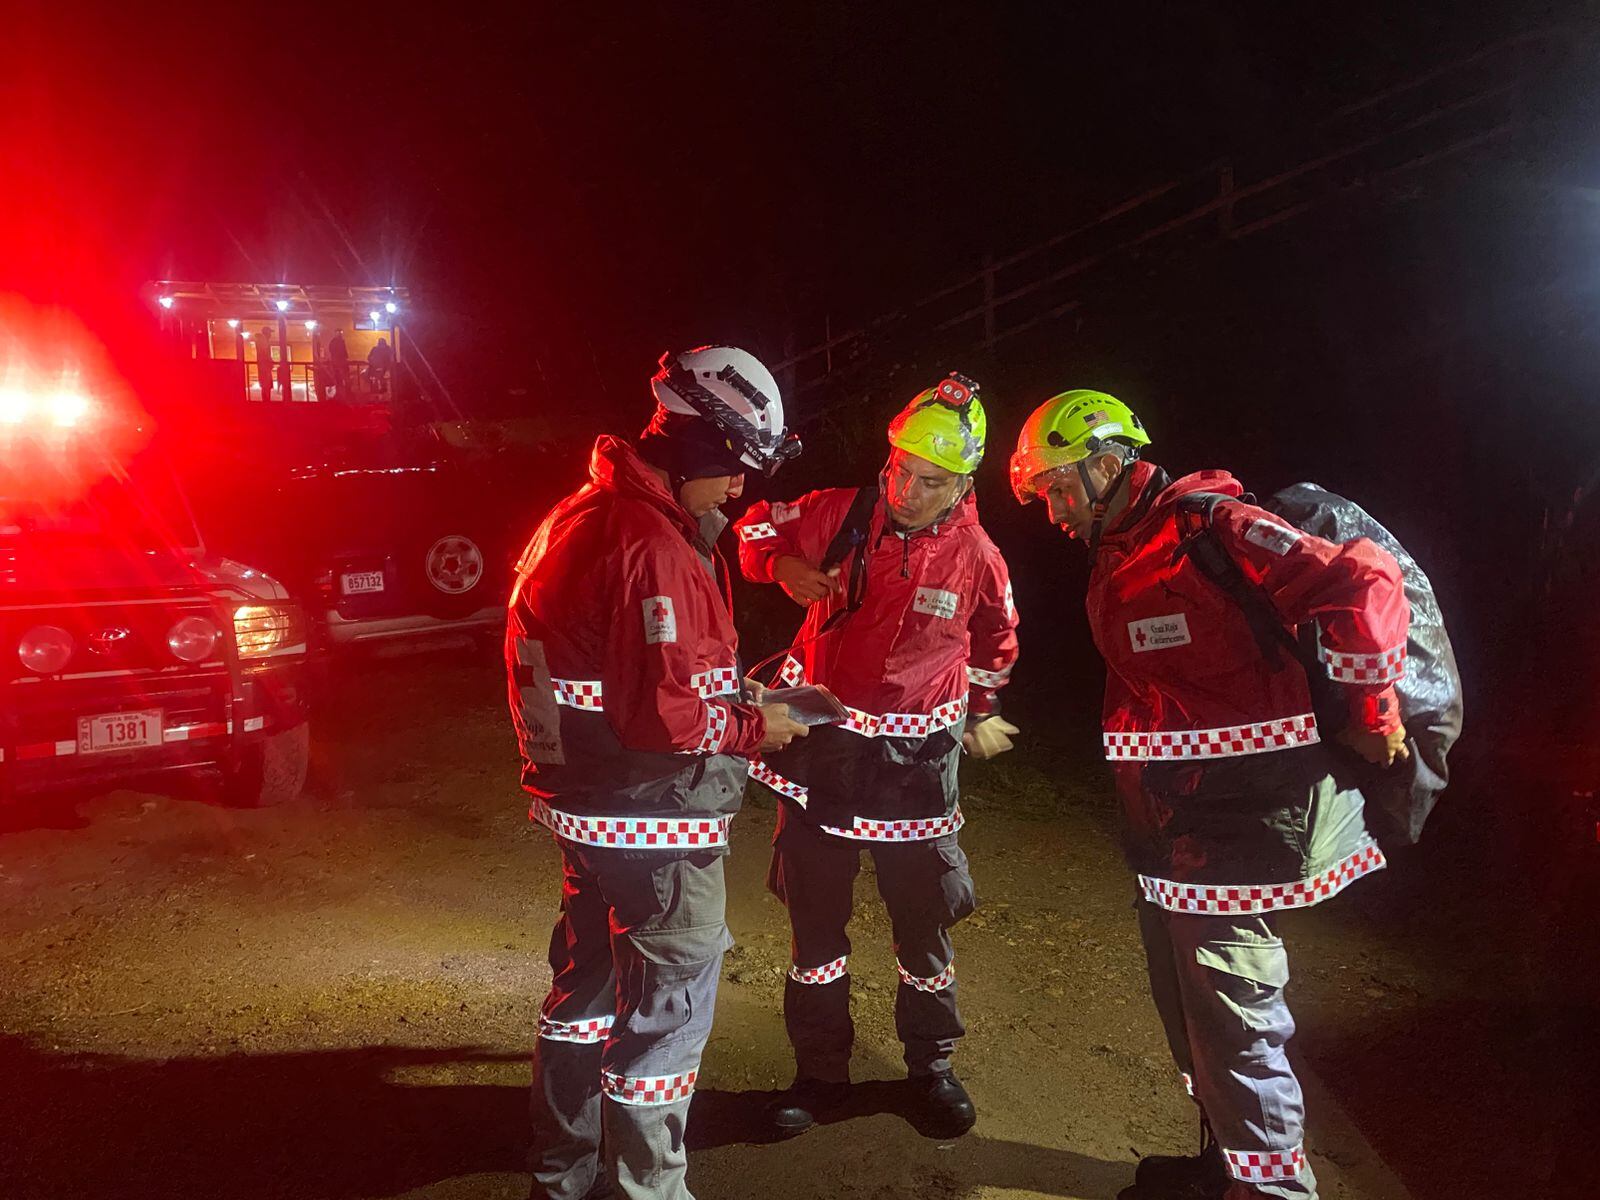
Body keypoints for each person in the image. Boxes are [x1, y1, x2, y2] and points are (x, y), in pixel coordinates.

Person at [1008, 390, 1410, 1200]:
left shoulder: (1211, 525)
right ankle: (1227, 1163)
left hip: (1244, 818)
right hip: (1171, 822)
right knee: (1185, 1004)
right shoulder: (1122, 546)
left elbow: (1364, 583)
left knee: (1235, 1017)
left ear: (1105, 464)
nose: (1049, 512)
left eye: (1054, 488)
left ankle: (1273, 1192)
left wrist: (1374, 711)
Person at [507, 345, 807, 1200]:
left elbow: (631, 676)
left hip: (588, 808)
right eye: (732, 470)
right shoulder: (652, 544)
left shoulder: (587, 514)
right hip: (654, 817)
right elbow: (666, 717)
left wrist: (733, 692)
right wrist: (761, 722)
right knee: (666, 1026)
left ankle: (561, 1174)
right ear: (694, 443)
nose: (739, 491)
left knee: (584, 1001)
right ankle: (649, 1191)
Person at [733, 372, 1021, 1140]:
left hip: (914, 763)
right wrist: (782, 567)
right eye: (900, 469)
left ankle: (932, 1068)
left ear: (962, 484)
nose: (908, 490)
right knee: (816, 930)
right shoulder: (839, 510)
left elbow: (998, 644)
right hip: (822, 747)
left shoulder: (979, 558)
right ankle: (820, 1074)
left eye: (931, 480)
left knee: (922, 927)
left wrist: (981, 712)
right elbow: (755, 527)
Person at [255, 327, 277, 400]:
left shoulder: (262, 340)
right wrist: (270, 361)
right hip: (264, 366)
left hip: (264, 366)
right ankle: (266, 402)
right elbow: (265, 353)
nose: (270, 334)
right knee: (266, 384)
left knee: (265, 384)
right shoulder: (263, 340)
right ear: (266, 333)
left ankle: (266, 400)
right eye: (269, 332)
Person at [327, 329, 349, 396]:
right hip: (339, 362)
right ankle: (342, 392)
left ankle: (341, 392)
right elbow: (343, 350)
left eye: (340, 333)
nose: (340, 334)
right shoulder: (337, 342)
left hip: (338, 362)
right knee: (341, 376)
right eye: (339, 333)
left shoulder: (335, 342)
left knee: (340, 377)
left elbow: (331, 350)